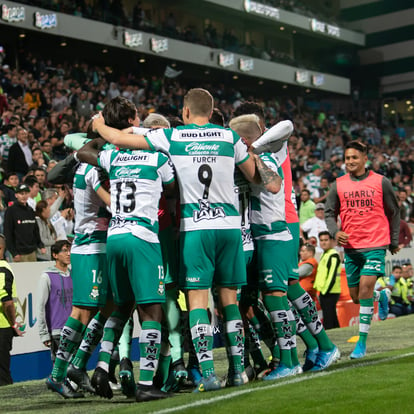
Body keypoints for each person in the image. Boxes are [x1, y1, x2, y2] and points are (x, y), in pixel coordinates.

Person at [91, 88, 263, 393]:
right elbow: (252, 175)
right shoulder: (229, 137)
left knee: (197, 299)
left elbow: (117, 140)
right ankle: (238, 372)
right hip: (229, 227)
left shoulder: (174, 137)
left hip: (195, 228)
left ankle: (208, 374)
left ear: (184, 112)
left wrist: (98, 125)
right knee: (229, 300)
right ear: (210, 113)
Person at [77, 131, 176, 402]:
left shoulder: (113, 157)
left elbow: (84, 151)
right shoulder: (158, 158)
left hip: (115, 236)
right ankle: (146, 384)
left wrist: (103, 132)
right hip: (142, 237)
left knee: (121, 307)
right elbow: (171, 188)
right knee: (151, 311)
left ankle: (101, 366)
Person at [325, 140, 400, 359]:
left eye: (354, 157)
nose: (350, 161)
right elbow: (329, 213)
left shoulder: (381, 182)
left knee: (366, 286)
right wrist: (334, 232)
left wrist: (393, 241)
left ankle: (362, 342)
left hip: (376, 244)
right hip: (351, 248)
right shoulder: (338, 184)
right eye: (347, 158)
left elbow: (394, 212)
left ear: (365, 158)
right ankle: (382, 295)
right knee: (358, 297)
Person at [36, 240, 73, 362]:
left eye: (69, 250)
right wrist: (44, 334)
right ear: (55, 255)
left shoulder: (74, 274)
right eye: (64, 251)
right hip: (57, 331)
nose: (68, 254)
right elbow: (40, 306)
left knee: (75, 370)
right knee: (60, 371)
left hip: (75, 329)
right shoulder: (46, 276)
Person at [0, 234, 24, 385]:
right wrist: (14, 324)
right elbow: (7, 302)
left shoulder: (3, 269)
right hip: (2, 327)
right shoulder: (3, 269)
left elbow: (6, 300)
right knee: (2, 374)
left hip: (2, 327)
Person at [4, 183, 45, 262]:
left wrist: (40, 245)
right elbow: (8, 233)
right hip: (19, 253)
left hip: (32, 251)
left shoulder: (30, 210)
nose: (24, 196)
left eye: (26, 193)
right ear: (16, 195)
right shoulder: (11, 211)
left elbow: (35, 230)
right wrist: (14, 252)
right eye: (21, 194)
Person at [314, 232, 341, 330]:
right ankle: (337, 332)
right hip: (325, 290)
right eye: (321, 240)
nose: (323, 243)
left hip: (330, 291)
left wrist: (325, 291)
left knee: (328, 317)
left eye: (326, 240)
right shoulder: (324, 254)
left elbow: (332, 275)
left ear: (331, 241)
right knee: (331, 316)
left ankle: (330, 337)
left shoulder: (333, 255)